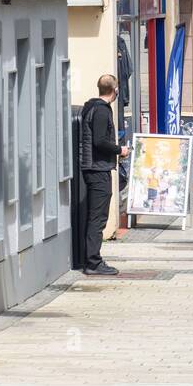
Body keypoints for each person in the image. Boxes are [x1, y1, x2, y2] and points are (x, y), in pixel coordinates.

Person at [79, 74, 129, 277]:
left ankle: (91, 259)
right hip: (97, 169)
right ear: (115, 90)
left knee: (96, 216)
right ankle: (93, 262)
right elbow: (99, 141)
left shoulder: (92, 107)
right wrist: (120, 150)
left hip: (96, 168)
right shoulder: (100, 110)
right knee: (98, 218)